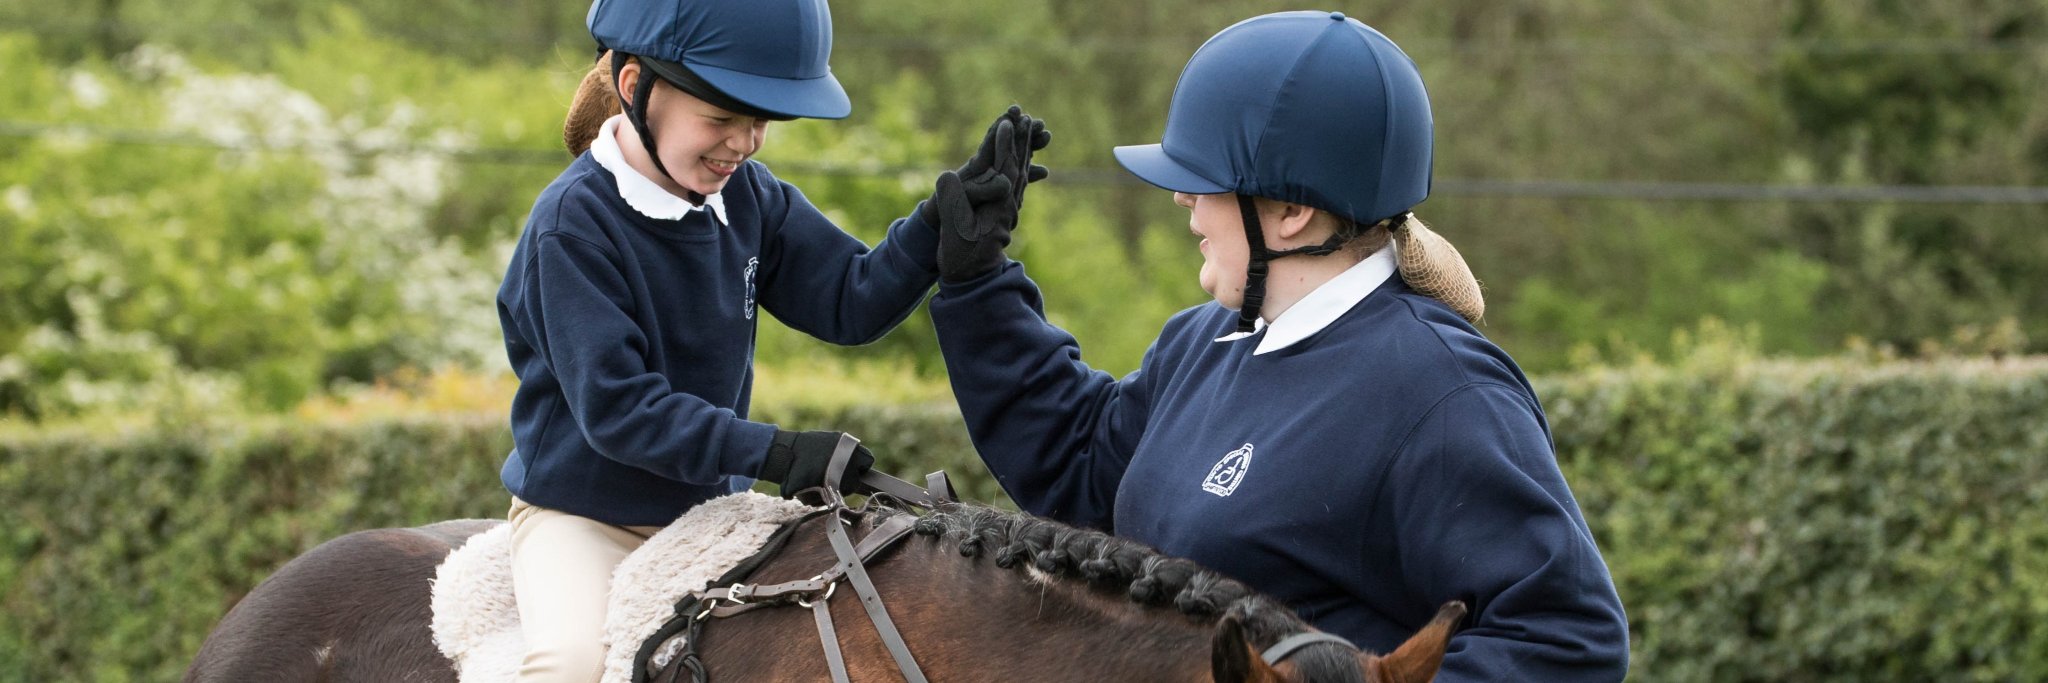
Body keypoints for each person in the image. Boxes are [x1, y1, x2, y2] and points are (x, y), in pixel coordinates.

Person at [924, 11, 1629, 680]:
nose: (1182, 200)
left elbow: (1566, 636)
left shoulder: (1441, 392)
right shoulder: (1205, 339)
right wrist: (980, 286)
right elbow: (1084, 473)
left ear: (1291, 211)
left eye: (1203, 180)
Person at [493, 0, 1044, 680]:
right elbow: (620, 411)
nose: (745, 143)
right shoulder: (570, 229)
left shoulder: (749, 196)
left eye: (759, 122)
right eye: (721, 119)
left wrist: (937, 225)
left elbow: (849, 300)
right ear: (636, 88)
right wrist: (775, 452)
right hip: (587, 519)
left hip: (711, 513)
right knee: (572, 666)